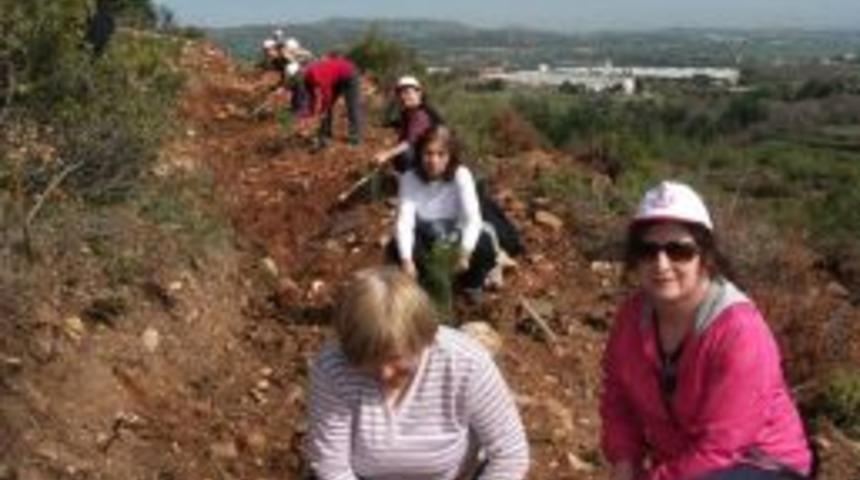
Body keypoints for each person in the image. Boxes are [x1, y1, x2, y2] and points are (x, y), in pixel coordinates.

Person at [600, 181, 813, 480]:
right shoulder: (633, 318)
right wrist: (624, 461)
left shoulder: (738, 331)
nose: (661, 264)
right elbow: (617, 397)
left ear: (705, 256)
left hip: (760, 462)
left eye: (679, 251)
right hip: (688, 462)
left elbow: (724, 444)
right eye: (648, 250)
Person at [305, 266, 529, 480]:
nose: (384, 373)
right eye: (369, 362)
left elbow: (510, 454)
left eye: (395, 358)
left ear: (423, 339)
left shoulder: (465, 363)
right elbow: (331, 466)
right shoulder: (333, 368)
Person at [390, 125, 499, 304]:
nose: (434, 160)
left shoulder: (461, 175)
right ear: (419, 154)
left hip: (455, 231)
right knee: (396, 249)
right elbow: (404, 222)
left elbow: (473, 219)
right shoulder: (410, 178)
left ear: (450, 156)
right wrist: (407, 260)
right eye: (428, 153)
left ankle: (472, 284)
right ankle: (423, 283)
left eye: (441, 154)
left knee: (484, 245)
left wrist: (465, 252)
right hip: (426, 232)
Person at [373, 76, 443, 173]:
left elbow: (409, 141)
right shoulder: (409, 112)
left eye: (407, 92)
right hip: (425, 153)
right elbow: (399, 124)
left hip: (434, 159)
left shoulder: (421, 114)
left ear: (419, 93)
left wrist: (386, 155)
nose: (403, 96)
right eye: (400, 93)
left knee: (405, 154)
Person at [301, 55, 362, 149]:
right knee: (327, 109)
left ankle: (355, 139)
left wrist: (323, 111)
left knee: (352, 106)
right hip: (335, 76)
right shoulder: (305, 80)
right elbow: (311, 97)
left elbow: (327, 94)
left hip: (349, 74)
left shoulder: (315, 74)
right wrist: (310, 114)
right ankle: (325, 135)